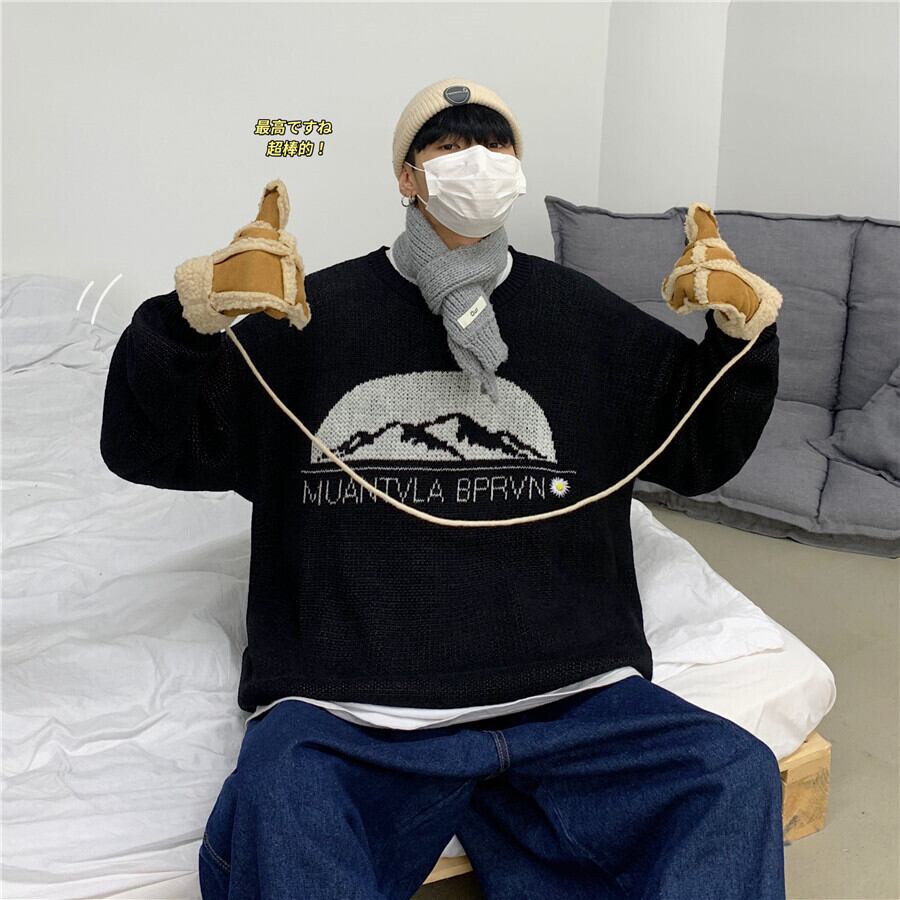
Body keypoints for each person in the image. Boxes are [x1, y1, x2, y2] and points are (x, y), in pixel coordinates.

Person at [100, 76, 786, 899]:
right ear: (407, 175)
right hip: (356, 710)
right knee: (279, 800)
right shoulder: (310, 320)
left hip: (574, 698)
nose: (478, 162)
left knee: (733, 774)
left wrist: (740, 339)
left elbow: (698, 452)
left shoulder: (583, 317)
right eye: (451, 145)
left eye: (495, 145)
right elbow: (146, 444)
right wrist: (190, 319)